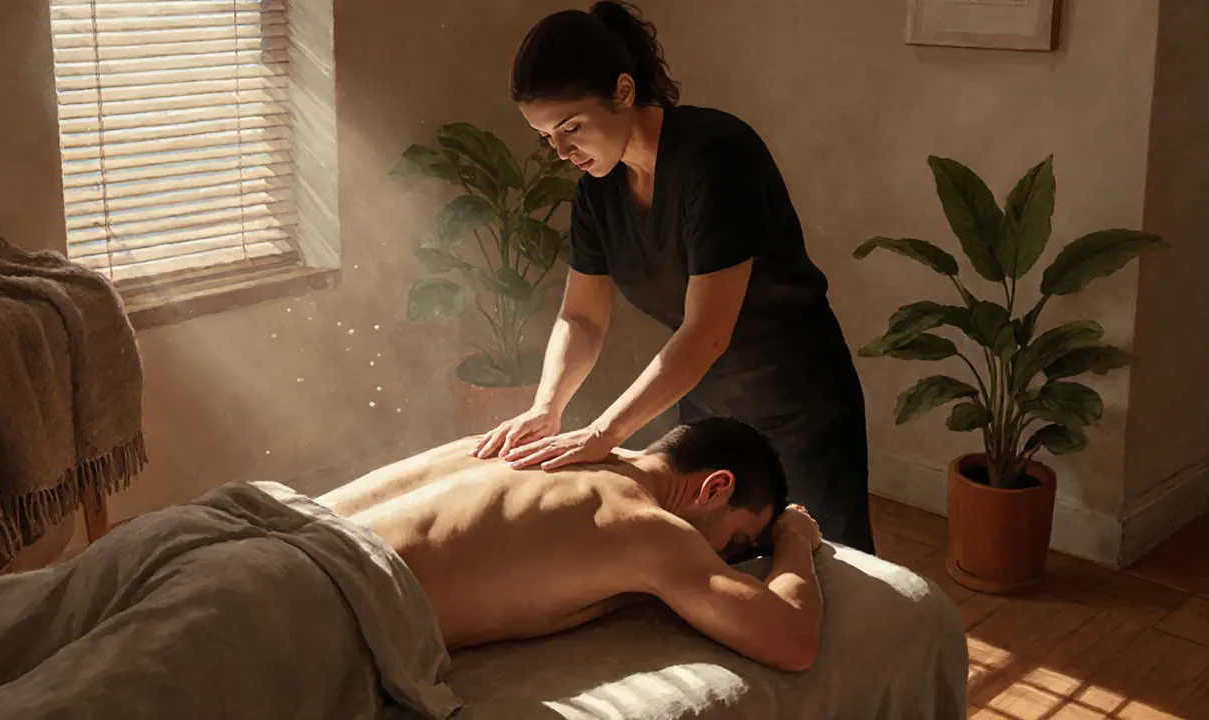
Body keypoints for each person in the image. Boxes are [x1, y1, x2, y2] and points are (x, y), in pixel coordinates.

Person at [473, 1, 875, 556]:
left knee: (827, 567)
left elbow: (706, 331)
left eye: (571, 127)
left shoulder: (716, 155)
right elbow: (582, 316)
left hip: (795, 398)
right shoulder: (597, 190)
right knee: (713, 563)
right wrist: (548, 406)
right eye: (547, 136)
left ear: (622, 91)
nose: (562, 152)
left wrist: (605, 433)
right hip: (706, 403)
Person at [319, 416, 825, 672]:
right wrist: (794, 539)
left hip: (278, 524)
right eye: (735, 542)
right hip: (315, 604)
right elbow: (794, 643)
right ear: (715, 487)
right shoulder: (642, 524)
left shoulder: (529, 442)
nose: (724, 557)